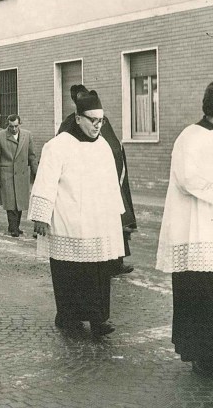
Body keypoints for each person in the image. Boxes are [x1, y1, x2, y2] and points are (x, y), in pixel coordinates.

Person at [30, 91, 124, 337]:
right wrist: (41, 215)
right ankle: (68, 316)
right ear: (77, 117)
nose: (97, 126)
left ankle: (98, 319)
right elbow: (45, 181)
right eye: (92, 120)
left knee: (99, 274)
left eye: (100, 121)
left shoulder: (103, 145)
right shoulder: (58, 145)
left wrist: (117, 215)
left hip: (97, 223)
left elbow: (112, 184)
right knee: (69, 272)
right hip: (67, 220)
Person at [155, 80, 213, 378]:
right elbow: (187, 179)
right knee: (201, 294)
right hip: (197, 230)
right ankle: (202, 355)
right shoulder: (190, 137)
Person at [59, 85, 137, 275]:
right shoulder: (71, 123)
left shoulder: (104, 121)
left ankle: (117, 261)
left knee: (116, 222)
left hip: (110, 180)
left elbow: (114, 145)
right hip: (87, 186)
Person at [0, 114, 38, 237]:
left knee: (20, 202)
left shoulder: (27, 135)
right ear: (7, 125)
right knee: (11, 202)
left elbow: (32, 155)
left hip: (22, 174)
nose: (13, 129)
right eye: (11, 126)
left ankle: (16, 226)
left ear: (20, 124)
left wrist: (36, 172)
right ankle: (13, 228)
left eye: (16, 126)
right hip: (7, 174)